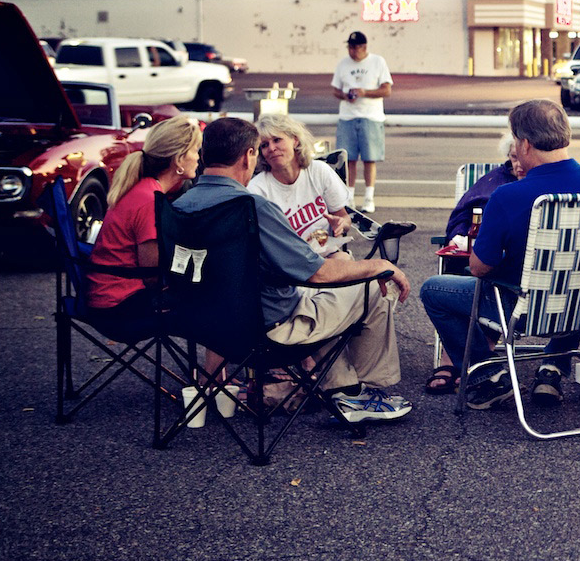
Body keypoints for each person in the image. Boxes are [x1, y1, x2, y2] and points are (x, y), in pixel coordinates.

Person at [175, 117, 413, 423]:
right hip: (268, 331)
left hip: (206, 326)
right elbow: (315, 274)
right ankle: (363, 392)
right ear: (250, 155)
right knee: (373, 287)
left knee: (327, 298)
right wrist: (380, 265)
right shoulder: (251, 206)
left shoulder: (181, 205)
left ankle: (342, 389)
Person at [419, 99, 580, 410]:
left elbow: (480, 267)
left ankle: (488, 376)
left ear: (523, 144)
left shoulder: (509, 196)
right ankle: (552, 368)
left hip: (525, 309)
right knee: (577, 272)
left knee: (433, 289)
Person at [86, 116, 203, 339]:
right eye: (195, 150)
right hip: (119, 307)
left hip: (106, 296)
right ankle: (214, 374)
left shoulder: (141, 188)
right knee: (217, 302)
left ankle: (212, 374)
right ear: (179, 159)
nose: (198, 157)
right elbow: (152, 276)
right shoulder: (150, 199)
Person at [424, 132, 520, 395]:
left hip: (506, 282)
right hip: (480, 258)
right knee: (460, 270)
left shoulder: (523, 189)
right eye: (513, 157)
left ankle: (475, 360)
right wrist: (462, 235)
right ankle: (453, 358)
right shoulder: (493, 181)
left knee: (446, 288)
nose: (518, 164)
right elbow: (462, 214)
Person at [248, 112, 351, 250]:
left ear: (295, 140)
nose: (271, 148)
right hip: (288, 264)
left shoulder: (318, 171)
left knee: (346, 260)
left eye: (277, 140)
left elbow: (345, 218)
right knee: (349, 263)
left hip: (327, 252)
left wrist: (340, 224)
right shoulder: (257, 190)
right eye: (265, 145)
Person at [331, 30, 392, 213]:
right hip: (348, 116)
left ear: (363, 47)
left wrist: (365, 92)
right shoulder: (343, 64)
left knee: (369, 158)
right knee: (348, 159)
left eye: (355, 47)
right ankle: (349, 197)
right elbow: (335, 89)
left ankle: (369, 197)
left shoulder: (377, 62)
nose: (351, 51)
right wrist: (345, 95)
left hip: (370, 116)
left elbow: (387, 90)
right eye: (349, 47)